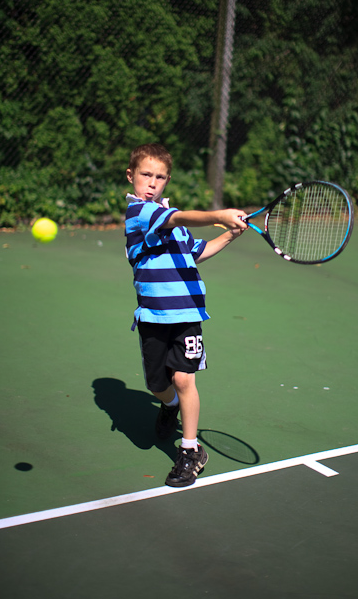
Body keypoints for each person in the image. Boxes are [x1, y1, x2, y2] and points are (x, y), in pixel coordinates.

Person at [125, 143, 247, 487]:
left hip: (188, 314)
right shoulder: (139, 214)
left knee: (183, 378)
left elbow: (198, 251)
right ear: (131, 176)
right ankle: (169, 406)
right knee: (157, 385)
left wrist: (229, 234)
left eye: (159, 177)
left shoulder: (172, 221)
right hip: (152, 316)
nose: (152, 183)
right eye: (146, 175)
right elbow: (176, 217)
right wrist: (218, 214)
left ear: (166, 181)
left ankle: (190, 450)